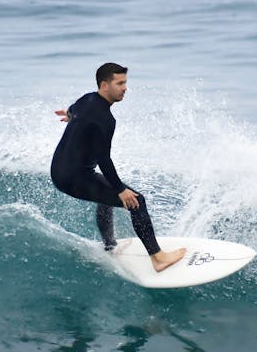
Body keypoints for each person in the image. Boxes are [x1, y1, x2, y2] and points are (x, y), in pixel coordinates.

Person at [51, 62, 186, 272]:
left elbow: (73, 110)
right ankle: (158, 258)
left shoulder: (87, 99)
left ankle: (109, 245)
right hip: (74, 178)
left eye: (125, 82)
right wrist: (122, 190)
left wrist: (69, 116)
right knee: (136, 201)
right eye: (120, 83)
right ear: (105, 85)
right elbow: (104, 160)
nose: (125, 88)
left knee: (107, 194)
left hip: (59, 170)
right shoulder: (105, 119)